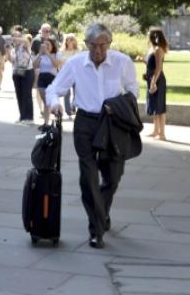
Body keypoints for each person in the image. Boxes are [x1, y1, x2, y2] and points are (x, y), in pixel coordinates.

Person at [46, 23, 140, 249]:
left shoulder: (122, 62)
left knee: (113, 177)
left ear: (109, 43)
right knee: (88, 177)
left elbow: (133, 91)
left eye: (103, 45)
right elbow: (53, 88)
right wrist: (54, 104)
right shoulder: (76, 64)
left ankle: (102, 212)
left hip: (112, 123)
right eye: (94, 45)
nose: (98, 50)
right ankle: (96, 229)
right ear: (86, 44)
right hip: (86, 123)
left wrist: (116, 105)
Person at [145, 27, 168, 140]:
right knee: (154, 106)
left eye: (149, 34)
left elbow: (159, 68)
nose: (147, 36)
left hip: (157, 80)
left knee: (160, 107)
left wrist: (153, 82)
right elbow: (151, 64)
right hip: (151, 79)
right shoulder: (152, 48)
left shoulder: (159, 49)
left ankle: (162, 134)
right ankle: (155, 131)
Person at [34, 37, 63, 125]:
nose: (46, 46)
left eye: (48, 45)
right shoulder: (41, 55)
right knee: (46, 101)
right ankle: (47, 120)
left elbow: (56, 65)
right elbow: (34, 65)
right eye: (44, 45)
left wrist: (48, 53)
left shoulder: (57, 54)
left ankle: (51, 120)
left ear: (52, 45)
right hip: (42, 77)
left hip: (52, 77)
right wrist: (40, 53)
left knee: (50, 101)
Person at [10, 32, 35, 122]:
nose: (15, 39)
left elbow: (26, 41)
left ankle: (29, 117)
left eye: (17, 37)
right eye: (14, 37)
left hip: (27, 72)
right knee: (19, 95)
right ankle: (22, 116)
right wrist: (8, 51)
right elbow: (11, 60)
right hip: (17, 72)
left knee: (27, 94)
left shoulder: (25, 45)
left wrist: (16, 38)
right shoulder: (14, 49)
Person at [58, 34, 80, 118]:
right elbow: (59, 64)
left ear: (74, 41)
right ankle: (68, 111)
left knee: (76, 93)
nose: (69, 41)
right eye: (68, 39)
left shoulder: (77, 51)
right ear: (65, 41)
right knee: (67, 94)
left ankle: (73, 107)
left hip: (76, 75)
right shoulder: (62, 51)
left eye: (71, 39)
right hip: (66, 75)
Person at [0, 26, 10, 93]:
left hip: (1, 56)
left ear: (1, 32)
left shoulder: (3, 39)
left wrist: (6, 57)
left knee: (0, 70)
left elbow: (6, 48)